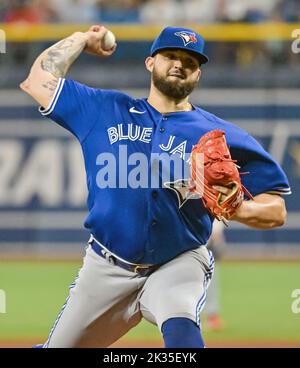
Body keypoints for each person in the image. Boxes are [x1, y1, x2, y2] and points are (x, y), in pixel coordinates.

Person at [20, 25, 290, 348]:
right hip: (106, 266)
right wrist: (81, 39)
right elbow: (37, 81)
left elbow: (276, 210)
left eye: (189, 61)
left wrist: (240, 208)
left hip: (178, 260)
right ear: (150, 62)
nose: (179, 64)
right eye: (171, 56)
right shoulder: (105, 111)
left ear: (199, 74)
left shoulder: (220, 135)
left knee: (182, 332)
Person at [202, 221, 226, 331]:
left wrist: (217, 235)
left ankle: (212, 316)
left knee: (211, 280)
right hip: (185, 243)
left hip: (205, 243)